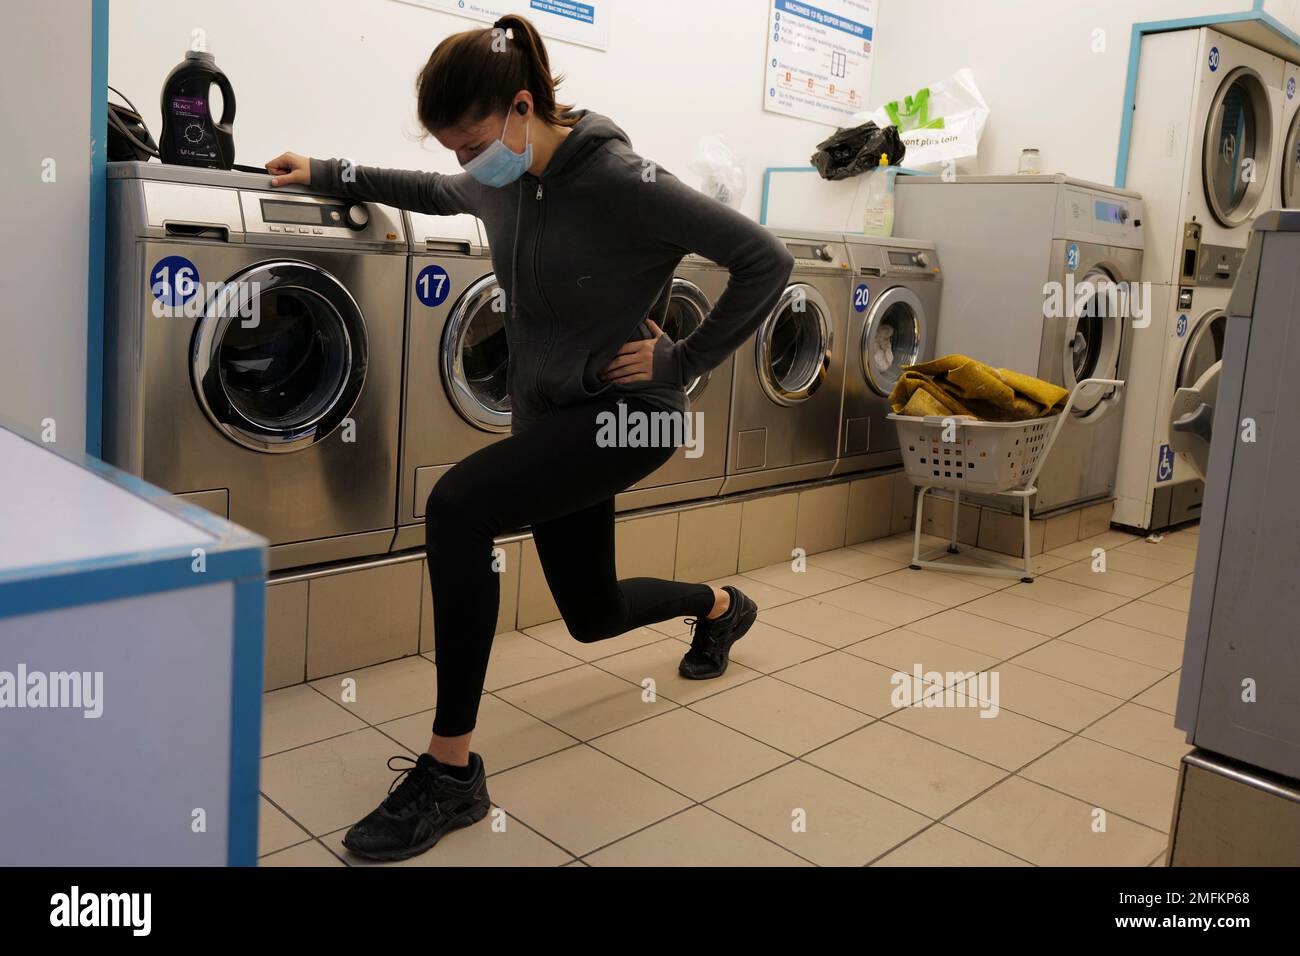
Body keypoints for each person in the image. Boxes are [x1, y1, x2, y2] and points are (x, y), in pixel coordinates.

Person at [265, 13, 794, 862]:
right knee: (593, 614)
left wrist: (683, 358)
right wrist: (327, 168)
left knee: (460, 505)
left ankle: (450, 773)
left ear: (522, 107)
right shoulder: (497, 174)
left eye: (472, 144)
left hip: (632, 416)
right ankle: (723, 610)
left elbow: (765, 259)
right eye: (454, 148)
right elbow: (436, 191)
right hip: (551, 416)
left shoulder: (624, 177)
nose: (465, 165)